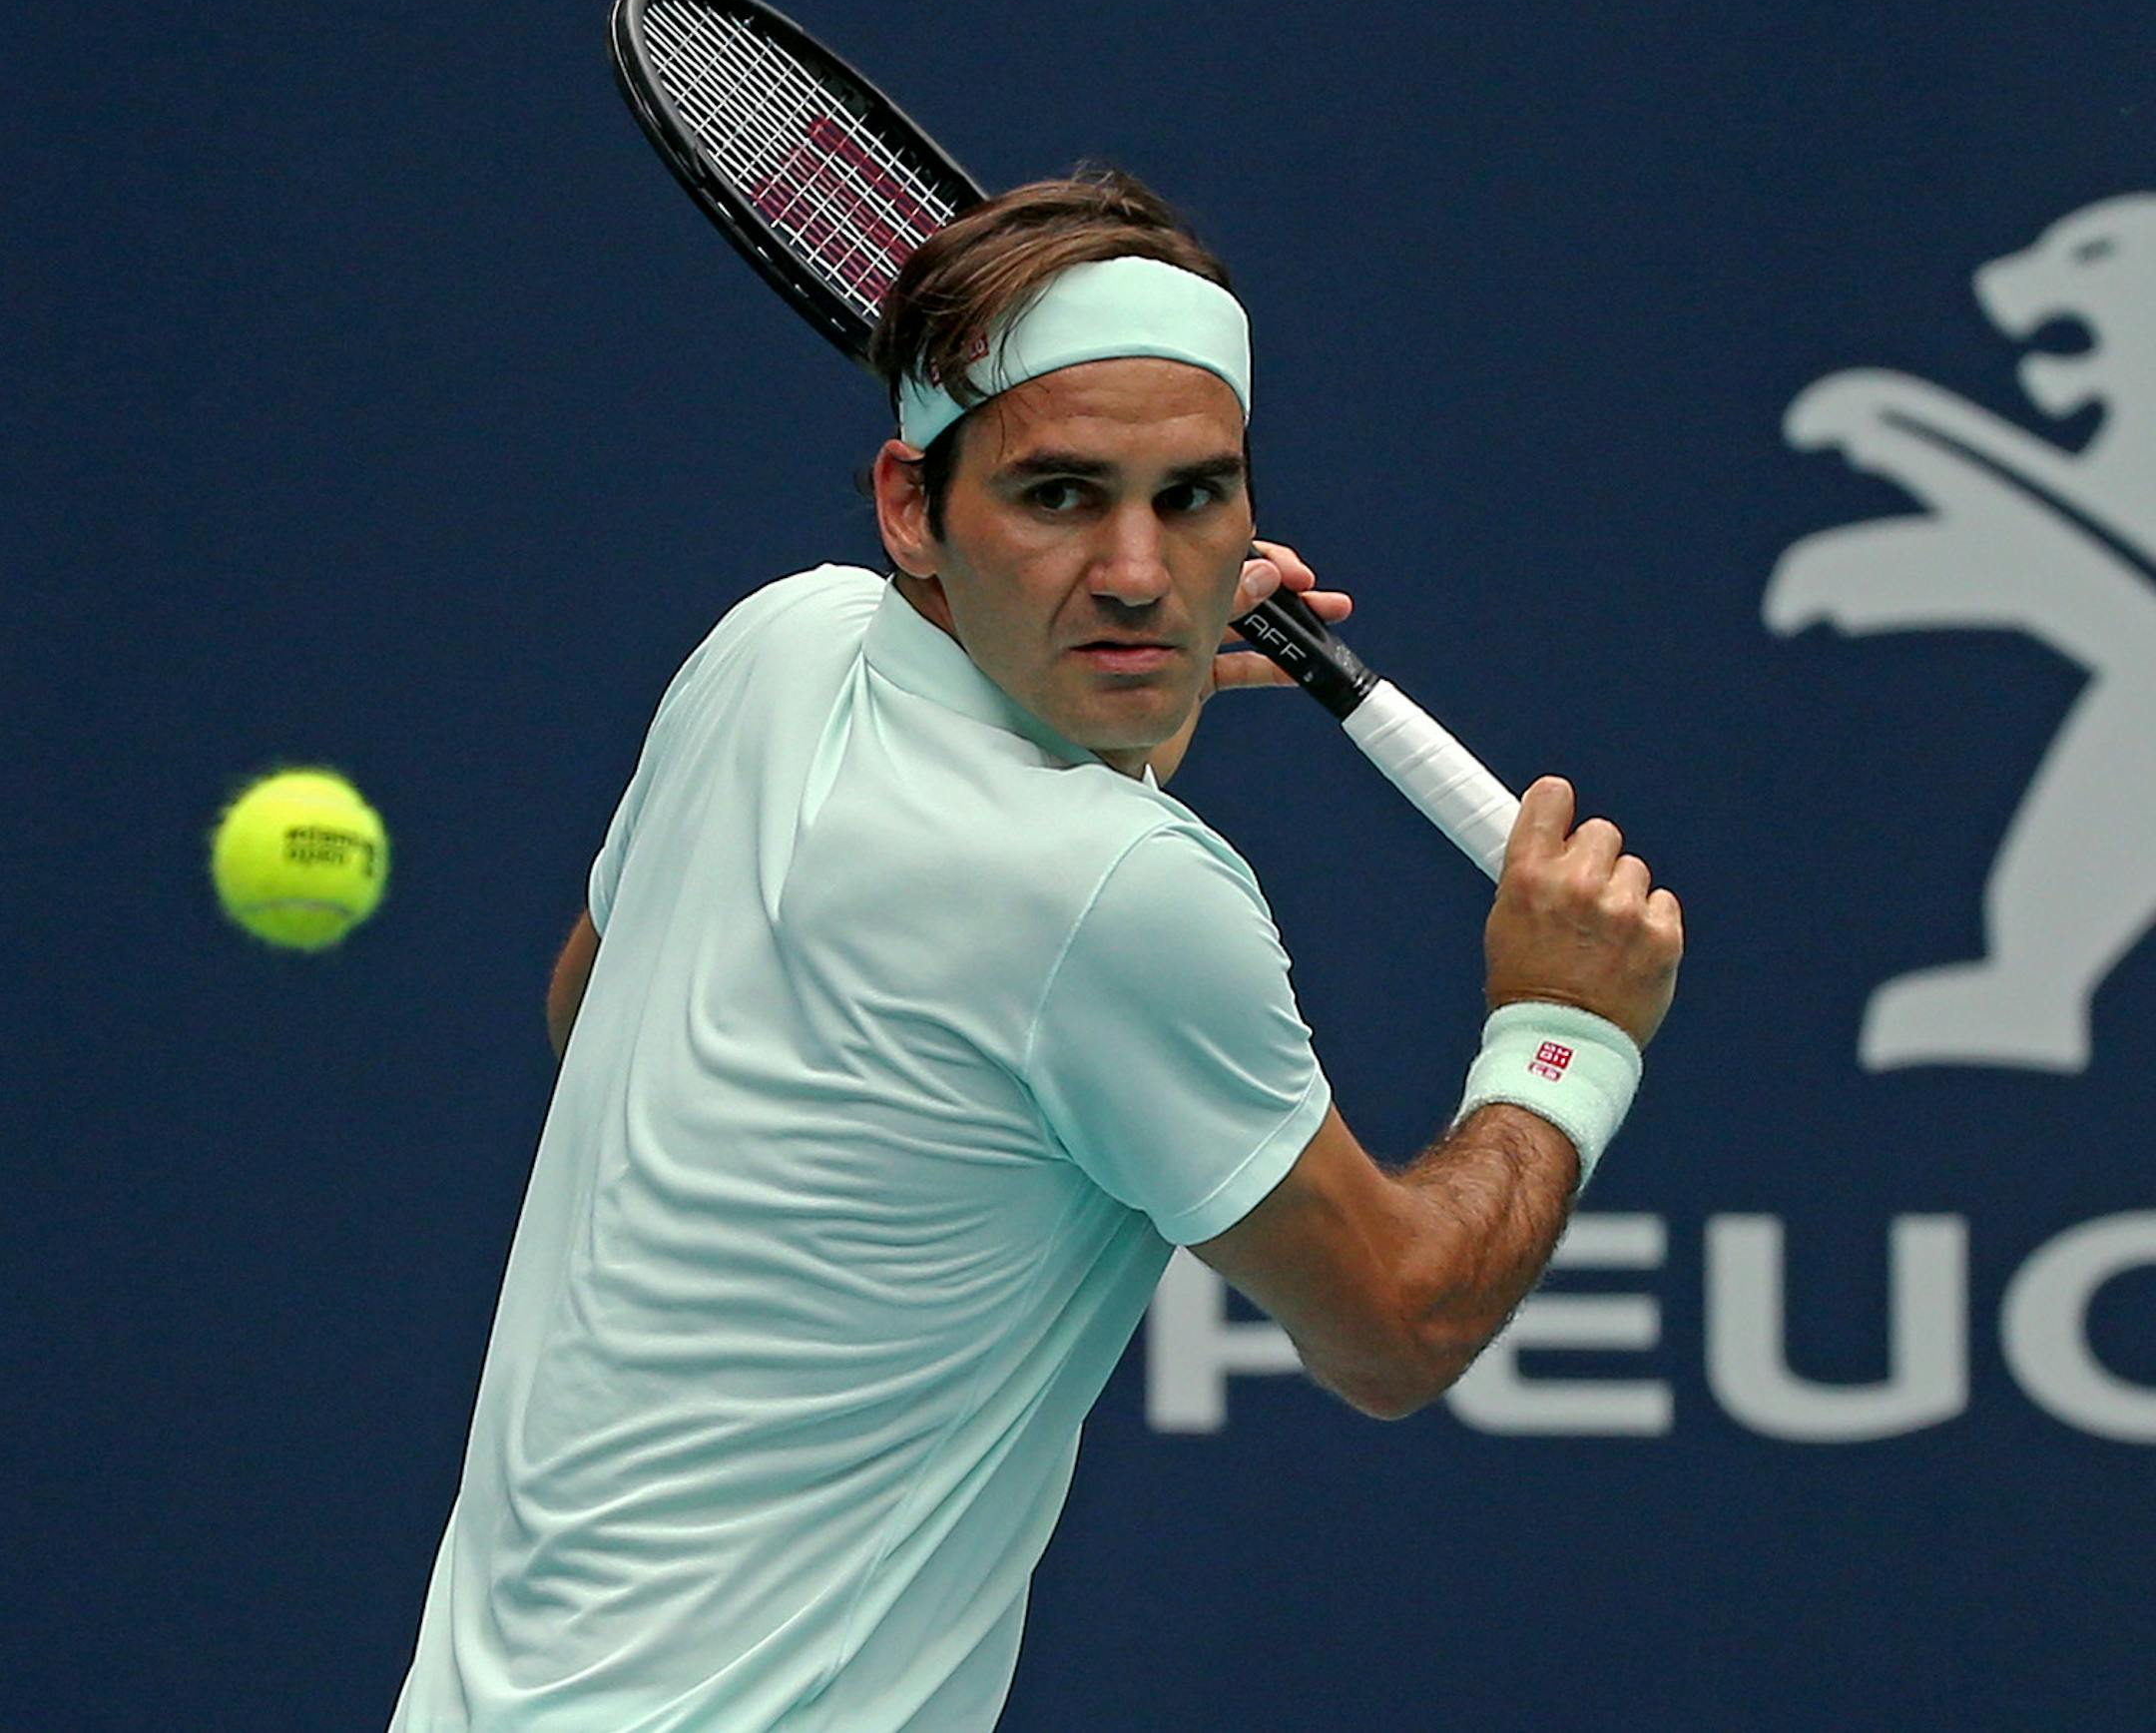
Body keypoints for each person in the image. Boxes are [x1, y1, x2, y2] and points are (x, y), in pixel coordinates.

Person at [386, 169, 1682, 1732]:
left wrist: (1108, 715)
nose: (1138, 572)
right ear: (910, 506)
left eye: (1192, 499)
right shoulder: (1122, 893)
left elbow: (598, 1006)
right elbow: (1399, 1327)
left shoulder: (772, 648)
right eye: (1060, 497)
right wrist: (1564, 1030)